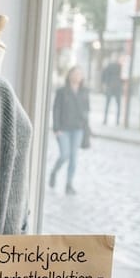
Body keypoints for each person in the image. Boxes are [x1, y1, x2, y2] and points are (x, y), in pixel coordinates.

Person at [49, 65, 89, 195]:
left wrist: (85, 126)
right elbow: (56, 109)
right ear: (70, 75)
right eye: (75, 73)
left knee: (74, 158)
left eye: (79, 74)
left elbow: (87, 109)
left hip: (78, 129)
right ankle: (54, 172)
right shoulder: (62, 91)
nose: (77, 76)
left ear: (82, 77)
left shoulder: (84, 91)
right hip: (63, 129)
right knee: (64, 155)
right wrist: (56, 128)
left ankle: (69, 184)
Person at [101, 59, 122, 125]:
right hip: (117, 86)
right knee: (118, 105)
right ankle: (117, 121)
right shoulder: (120, 66)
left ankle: (105, 120)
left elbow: (103, 75)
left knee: (107, 104)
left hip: (110, 86)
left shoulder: (108, 66)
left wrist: (104, 84)